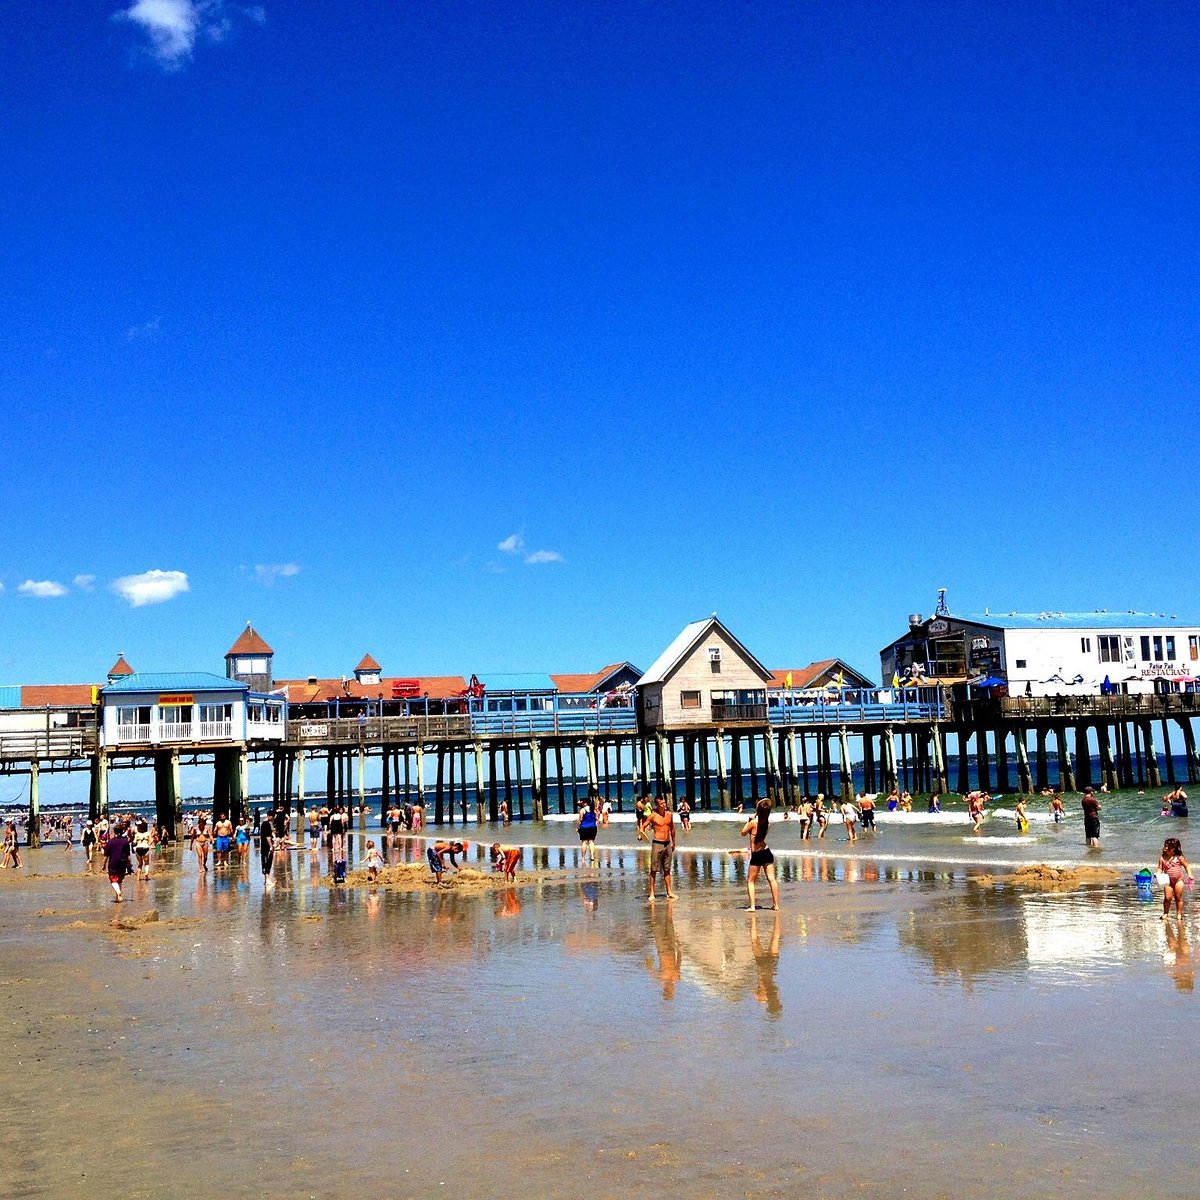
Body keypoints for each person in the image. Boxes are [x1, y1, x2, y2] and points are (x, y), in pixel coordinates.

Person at [738, 798, 780, 911]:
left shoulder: (753, 823)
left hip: (757, 854)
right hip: (766, 851)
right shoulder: (767, 823)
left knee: (751, 881)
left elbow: (742, 833)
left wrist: (749, 820)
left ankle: (752, 906)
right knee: (772, 879)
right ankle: (776, 905)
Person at [645, 796, 677, 902]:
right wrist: (641, 834)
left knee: (667, 869)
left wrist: (674, 843)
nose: (664, 805)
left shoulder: (669, 815)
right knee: (654, 870)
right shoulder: (653, 816)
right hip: (657, 844)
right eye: (661, 803)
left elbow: (672, 828)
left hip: (667, 844)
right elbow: (643, 826)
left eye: (664, 803)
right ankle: (652, 893)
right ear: (657, 805)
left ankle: (669, 892)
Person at [1158, 837, 1192, 919]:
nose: (1165, 848)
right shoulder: (1162, 858)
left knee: (1178, 898)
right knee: (1167, 898)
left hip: (1178, 881)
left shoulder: (1179, 858)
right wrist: (1158, 873)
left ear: (1174, 848)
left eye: (1168, 847)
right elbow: (1160, 868)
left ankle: (1179, 914)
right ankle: (1165, 913)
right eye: (1165, 846)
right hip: (1167, 881)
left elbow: (1187, 866)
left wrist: (1190, 874)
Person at [103, 821, 132, 902]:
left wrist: (104, 865)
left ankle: (118, 893)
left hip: (113, 863)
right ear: (122, 831)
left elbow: (106, 856)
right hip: (123, 862)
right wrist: (129, 864)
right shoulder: (125, 841)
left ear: (114, 832)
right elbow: (128, 854)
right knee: (119, 880)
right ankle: (117, 897)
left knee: (113, 880)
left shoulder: (110, 842)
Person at [577, 799, 598, 866]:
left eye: (582, 802)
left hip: (584, 827)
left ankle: (583, 858)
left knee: (584, 842)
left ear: (585, 803)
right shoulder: (594, 809)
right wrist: (595, 823)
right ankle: (592, 856)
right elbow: (597, 817)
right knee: (591, 842)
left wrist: (578, 828)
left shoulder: (583, 810)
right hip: (593, 827)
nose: (581, 803)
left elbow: (580, 819)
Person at [258, 810, 276, 884]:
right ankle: (267, 879)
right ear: (270, 816)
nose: (273, 819)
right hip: (266, 846)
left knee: (265, 861)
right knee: (267, 862)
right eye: (273, 817)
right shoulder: (266, 824)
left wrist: (273, 837)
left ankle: (266, 879)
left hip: (264, 845)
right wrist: (271, 846)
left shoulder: (264, 824)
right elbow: (267, 837)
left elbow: (270, 833)